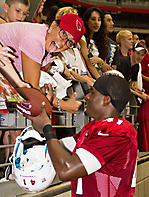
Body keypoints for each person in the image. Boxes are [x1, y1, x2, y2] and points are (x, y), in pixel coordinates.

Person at [25, 75, 137, 197]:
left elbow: (66, 170)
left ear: (106, 100)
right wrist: (45, 106)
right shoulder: (94, 127)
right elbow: (59, 148)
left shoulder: (117, 131)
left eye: (92, 93)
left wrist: (47, 128)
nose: (87, 96)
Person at [0, 14, 85, 113]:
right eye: (64, 34)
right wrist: (61, 104)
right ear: (53, 25)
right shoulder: (35, 39)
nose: (63, 43)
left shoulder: (50, 46)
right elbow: (31, 91)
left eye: (70, 42)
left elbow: (24, 86)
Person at [79, 7, 110, 79]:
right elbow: (89, 64)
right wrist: (99, 82)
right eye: (93, 19)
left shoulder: (101, 41)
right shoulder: (82, 38)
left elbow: (104, 68)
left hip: (99, 75)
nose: (96, 22)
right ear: (86, 21)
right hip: (88, 75)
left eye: (99, 20)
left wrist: (100, 61)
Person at [136, 35, 149, 151]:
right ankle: (144, 147)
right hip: (145, 96)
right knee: (144, 120)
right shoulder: (144, 59)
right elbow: (141, 75)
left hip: (144, 94)